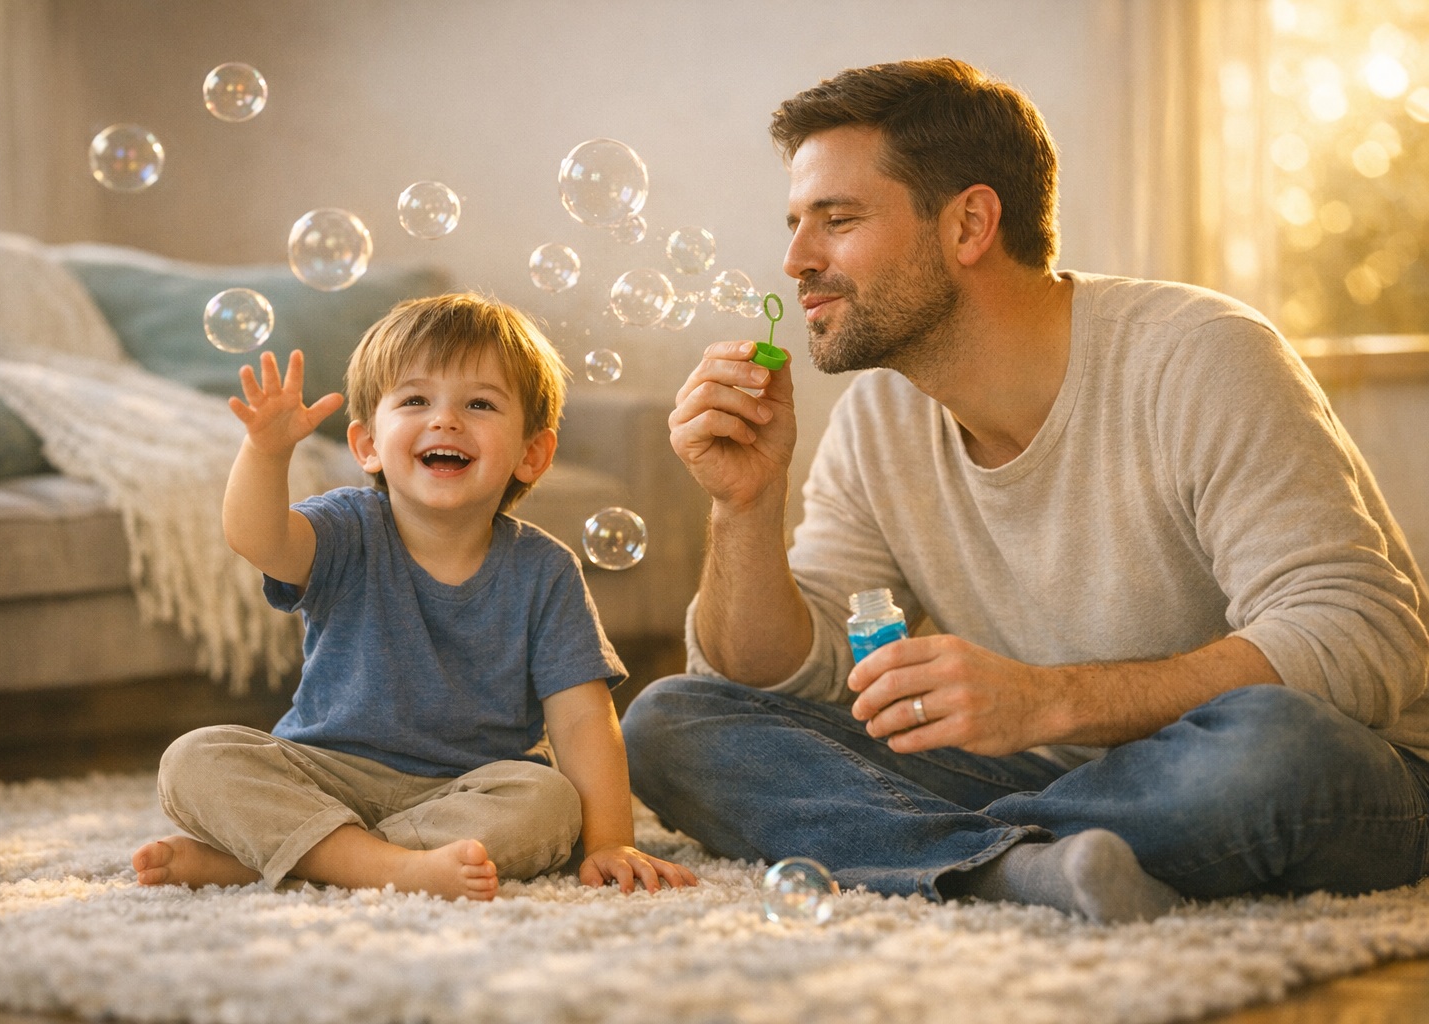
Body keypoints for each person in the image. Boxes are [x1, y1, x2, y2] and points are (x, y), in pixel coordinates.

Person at [622, 57, 1429, 924]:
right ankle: (1023, 870)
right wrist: (744, 504)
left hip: (1309, 770)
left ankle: (938, 851)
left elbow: (1361, 632)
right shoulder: (878, 420)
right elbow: (788, 680)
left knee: (1275, 749)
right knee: (671, 722)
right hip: (1055, 777)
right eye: (794, 224)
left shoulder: (1201, 353)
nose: (795, 260)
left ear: (970, 223)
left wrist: (1047, 699)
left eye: (838, 220)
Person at [133, 293, 698, 899]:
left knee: (550, 803)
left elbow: (584, 718)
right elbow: (257, 538)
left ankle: (290, 857)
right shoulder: (346, 527)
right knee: (195, 758)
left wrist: (610, 840)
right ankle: (386, 865)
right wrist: (267, 452)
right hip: (327, 773)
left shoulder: (546, 570)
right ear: (368, 444)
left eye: (480, 403)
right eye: (415, 400)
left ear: (532, 454)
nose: (445, 421)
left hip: (467, 790)